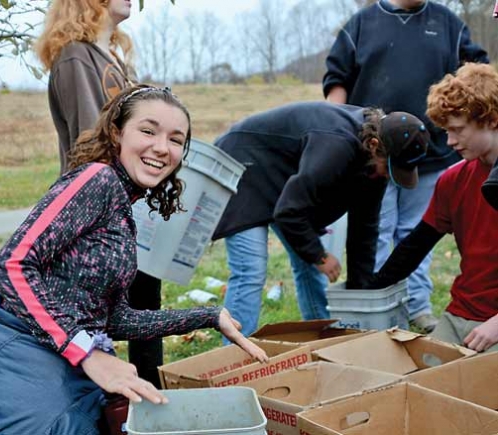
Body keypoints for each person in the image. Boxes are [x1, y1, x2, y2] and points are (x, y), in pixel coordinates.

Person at [0, 86, 268, 435]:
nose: (162, 147)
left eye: (176, 139)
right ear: (117, 133)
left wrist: (208, 316)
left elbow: (111, 320)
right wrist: (86, 353)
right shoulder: (96, 179)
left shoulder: (121, 204)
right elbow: (12, 265)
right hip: (13, 359)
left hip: (49, 357)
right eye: (148, 131)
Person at [323, 0, 489, 333]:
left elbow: (477, 77)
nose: (453, 138)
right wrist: (335, 133)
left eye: (459, 129)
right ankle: (379, 311)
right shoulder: (361, 23)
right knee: (379, 232)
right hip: (376, 156)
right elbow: (336, 80)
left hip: (431, 160)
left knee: (414, 230)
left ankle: (416, 306)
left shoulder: (448, 23)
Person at [211, 101, 430, 340]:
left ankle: (323, 338)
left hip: (282, 181)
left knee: (309, 265)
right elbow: (289, 213)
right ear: (375, 145)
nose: (388, 176)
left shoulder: (374, 163)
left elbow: (364, 230)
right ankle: (235, 356)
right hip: (242, 163)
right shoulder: (336, 145)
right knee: (250, 270)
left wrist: (361, 291)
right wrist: (319, 255)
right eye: (389, 169)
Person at [35, 0, 164, 387]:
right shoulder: (76, 58)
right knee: (94, 326)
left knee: (145, 308)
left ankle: (149, 407)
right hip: (98, 217)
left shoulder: (110, 57)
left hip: (130, 208)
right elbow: (92, 145)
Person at [366, 63, 498, 352]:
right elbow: (415, 247)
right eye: (446, 131)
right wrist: (369, 292)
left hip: (495, 323)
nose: (450, 142)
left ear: (491, 120)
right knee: (424, 380)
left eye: (458, 130)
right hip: (461, 314)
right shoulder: (453, 180)